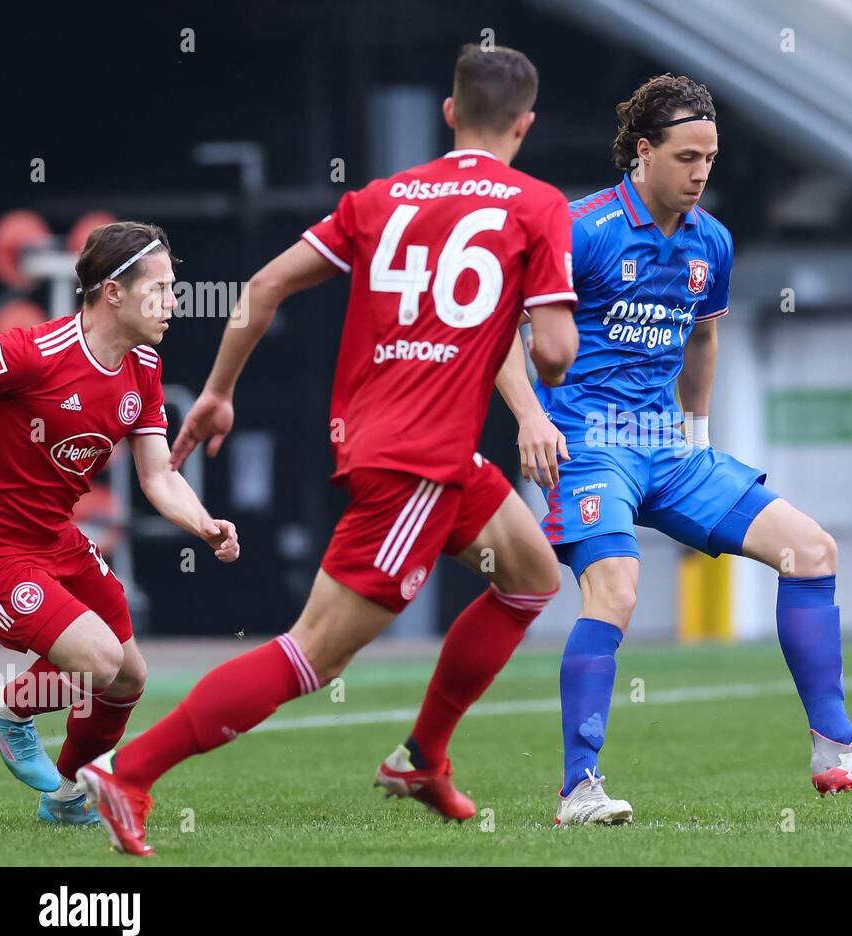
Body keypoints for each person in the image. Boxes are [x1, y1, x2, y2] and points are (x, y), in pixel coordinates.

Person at [77, 44, 579, 856]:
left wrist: (216, 392)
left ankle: (421, 758)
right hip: (418, 463)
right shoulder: (538, 205)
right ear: (527, 123)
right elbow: (553, 350)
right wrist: (542, 321)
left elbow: (262, 288)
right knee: (310, 654)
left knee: (530, 576)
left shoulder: (380, 198)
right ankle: (130, 772)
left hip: (401, 445)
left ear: (448, 115)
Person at [495, 74, 852, 826]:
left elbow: (703, 335)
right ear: (644, 151)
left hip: (668, 451)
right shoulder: (584, 229)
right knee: (618, 590)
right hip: (587, 444)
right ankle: (580, 789)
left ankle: (832, 744)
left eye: (711, 157)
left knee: (812, 550)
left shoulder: (713, 241)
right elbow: (502, 330)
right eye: (687, 156)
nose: (702, 172)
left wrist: (698, 431)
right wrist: (528, 420)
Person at [0, 222, 239, 825]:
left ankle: (69, 795)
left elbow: (157, 475)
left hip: (57, 538)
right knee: (97, 661)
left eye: (174, 289)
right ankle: (8, 708)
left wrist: (204, 525)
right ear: (113, 292)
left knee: (127, 679)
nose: (173, 302)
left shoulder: (143, 367)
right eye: (160, 289)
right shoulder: (31, 353)